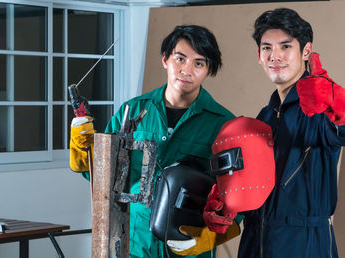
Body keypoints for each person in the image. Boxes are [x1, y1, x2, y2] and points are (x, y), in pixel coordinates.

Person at [203, 8, 345, 258]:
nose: (274, 56)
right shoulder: (264, 117)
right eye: (267, 47)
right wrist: (227, 205)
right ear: (259, 55)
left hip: (305, 245)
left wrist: (332, 95)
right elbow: (254, 188)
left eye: (285, 46)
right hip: (255, 243)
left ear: (306, 51)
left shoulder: (319, 110)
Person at [70, 25, 240, 258]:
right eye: (180, 59)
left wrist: (212, 235)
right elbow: (99, 177)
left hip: (188, 243)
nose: (187, 70)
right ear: (165, 59)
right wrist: (83, 147)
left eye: (198, 63)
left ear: (208, 69)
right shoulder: (131, 112)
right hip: (135, 242)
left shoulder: (224, 125)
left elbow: (238, 195)